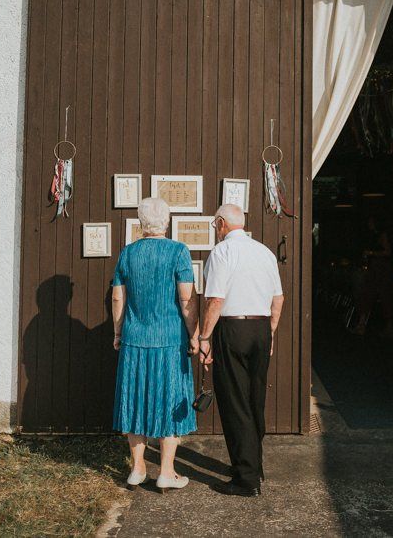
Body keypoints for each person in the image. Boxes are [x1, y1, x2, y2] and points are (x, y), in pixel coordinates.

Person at [112, 197, 198, 493]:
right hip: (170, 340)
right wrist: (194, 334)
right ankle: (166, 471)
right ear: (167, 221)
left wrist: (117, 332)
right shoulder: (178, 252)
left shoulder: (128, 254)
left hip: (135, 339)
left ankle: (137, 469)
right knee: (170, 399)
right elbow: (187, 299)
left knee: (134, 401)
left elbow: (117, 298)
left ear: (140, 222)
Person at [198, 204, 284, 497]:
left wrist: (205, 338)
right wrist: (270, 332)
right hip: (260, 329)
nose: (215, 229)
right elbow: (278, 299)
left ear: (221, 223)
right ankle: (254, 466)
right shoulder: (264, 252)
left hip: (232, 328)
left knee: (235, 401)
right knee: (254, 398)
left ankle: (246, 479)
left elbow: (215, 301)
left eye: (214, 224)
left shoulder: (222, 252)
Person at [351, 216, 393, 335]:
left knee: (379, 295)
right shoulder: (373, 235)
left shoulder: (383, 235)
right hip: (376, 268)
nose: (369, 223)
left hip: (381, 269)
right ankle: (363, 325)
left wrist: (371, 253)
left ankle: (364, 325)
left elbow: (387, 252)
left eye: (371, 221)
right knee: (371, 295)